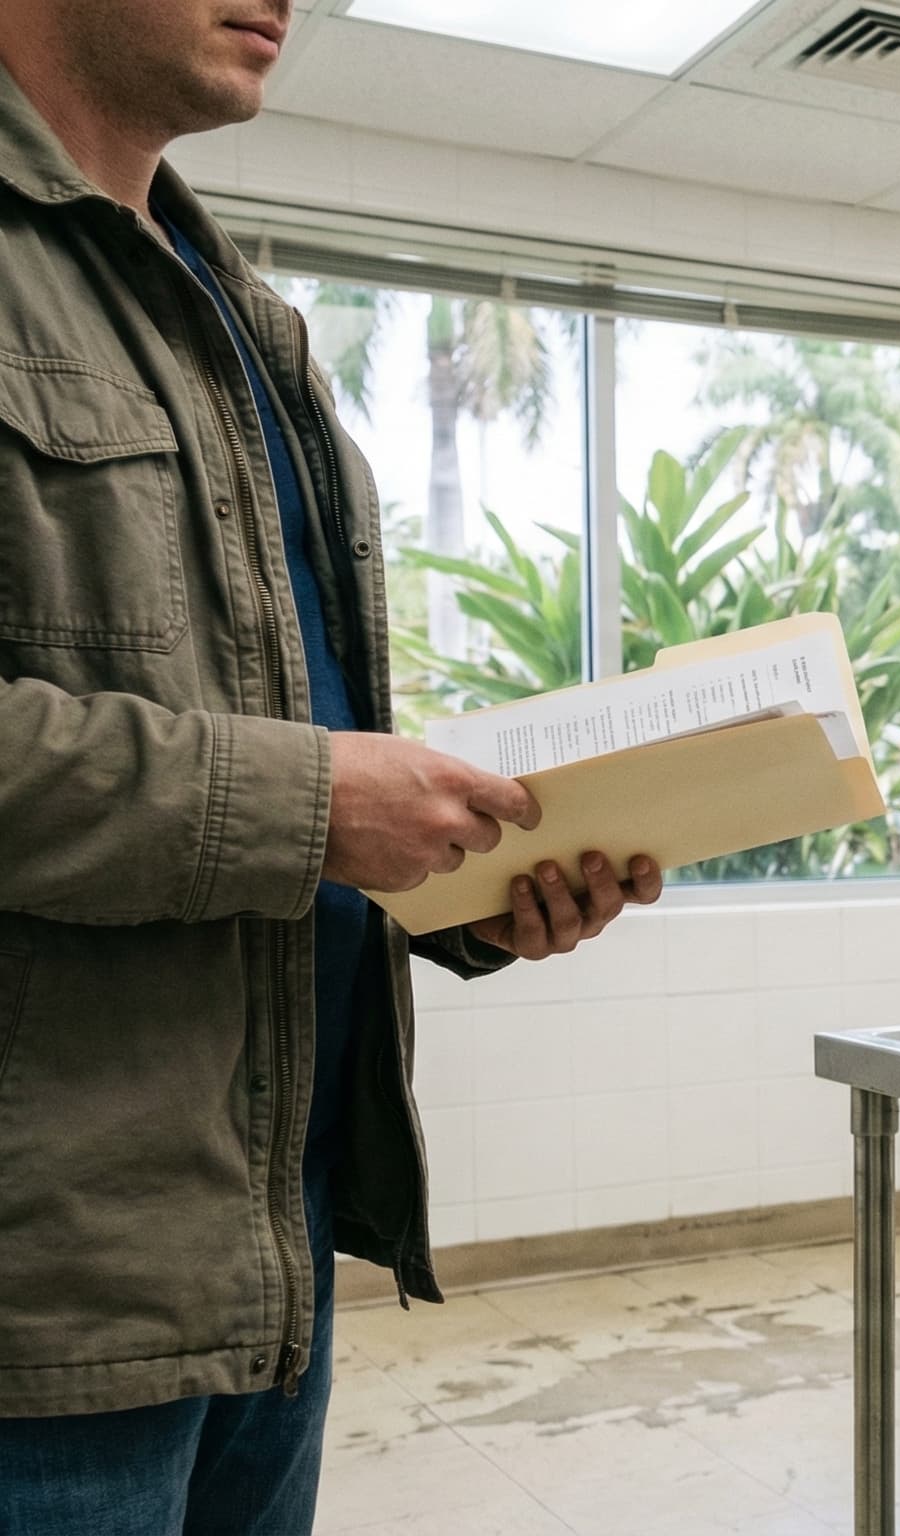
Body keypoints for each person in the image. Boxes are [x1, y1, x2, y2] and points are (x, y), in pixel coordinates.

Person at [0, 0, 663, 1528]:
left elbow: (251, 724)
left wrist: (461, 891)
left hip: (261, 1236)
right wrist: (314, 808)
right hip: (45, 1299)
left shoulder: (243, 320)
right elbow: (284, 784)